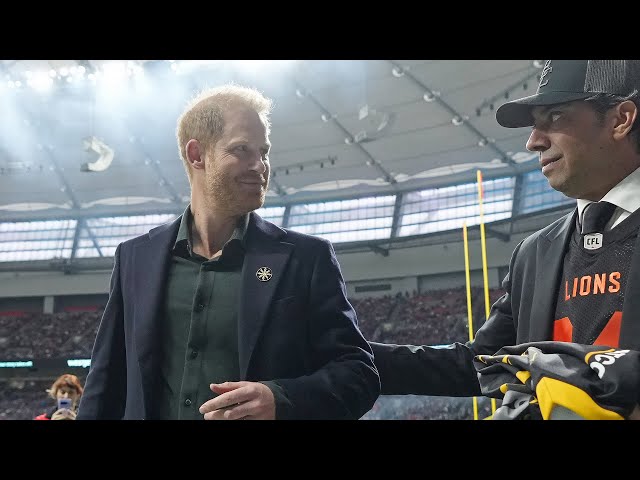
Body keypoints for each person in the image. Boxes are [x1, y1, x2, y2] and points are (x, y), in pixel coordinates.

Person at [76, 84, 379, 420]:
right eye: (242, 150)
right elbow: (105, 381)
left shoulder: (306, 258)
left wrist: (281, 399)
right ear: (197, 155)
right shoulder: (135, 258)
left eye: (263, 152)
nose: (259, 166)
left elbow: (359, 373)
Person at [370, 60, 640, 417]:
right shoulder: (534, 253)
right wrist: (345, 352)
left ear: (620, 119)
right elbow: (482, 363)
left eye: (556, 117)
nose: (533, 141)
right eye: (534, 125)